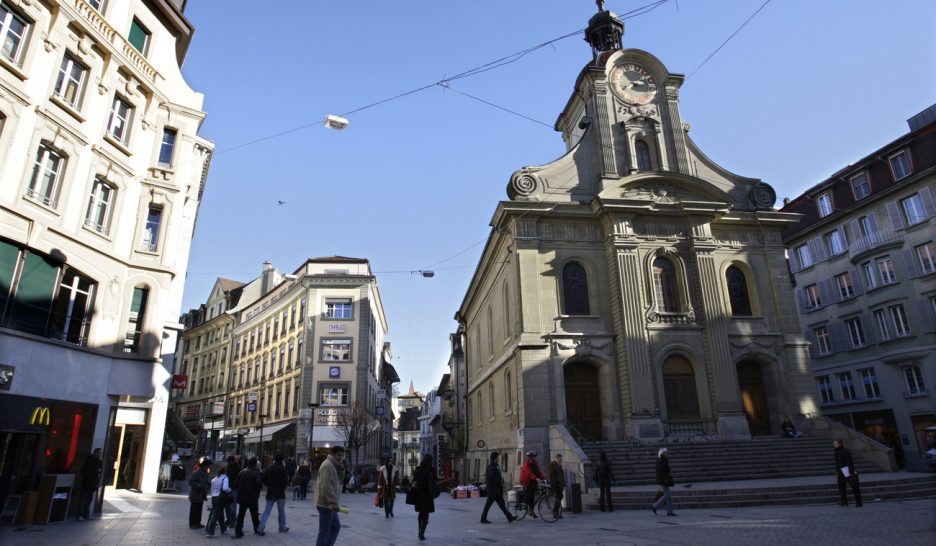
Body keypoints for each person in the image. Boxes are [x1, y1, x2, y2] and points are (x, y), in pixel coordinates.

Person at [316, 446, 346, 546]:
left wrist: (341, 469)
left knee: (335, 527)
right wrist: (333, 503)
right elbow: (325, 486)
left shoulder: (334, 465)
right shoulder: (327, 465)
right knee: (324, 531)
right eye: (338, 454)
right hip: (325, 504)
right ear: (332, 454)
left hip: (330, 504)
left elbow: (340, 481)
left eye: (342, 455)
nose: (340, 457)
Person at [480, 451, 515, 524]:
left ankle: (509, 517)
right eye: (497, 457)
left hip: (497, 490)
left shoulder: (496, 465)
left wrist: (501, 479)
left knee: (502, 505)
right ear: (495, 458)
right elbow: (491, 476)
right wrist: (499, 480)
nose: (498, 459)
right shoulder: (491, 467)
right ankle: (483, 518)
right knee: (488, 505)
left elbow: (497, 475)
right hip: (492, 490)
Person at [258, 452, 289, 533]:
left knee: (267, 510)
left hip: (271, 492)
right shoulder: (282, 469)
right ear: (282, 460)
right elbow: (286, 481)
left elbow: (263, 479)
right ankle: (282, 527)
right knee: (281, 511)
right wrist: (282, 487)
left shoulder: (270, 468)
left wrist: (269, 485)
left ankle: (260, 527)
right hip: (280, 493)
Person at [233, 457, 264, 538]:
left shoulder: (242, 472)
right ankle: (257, 529)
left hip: (242, 497)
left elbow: (236, 484)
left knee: (241, 515)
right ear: (255, 464)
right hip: (252, 497)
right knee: (254, 514)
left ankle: (238, 531)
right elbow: (259, 484)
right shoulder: (256, 473)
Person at [412, 454, 439, 541]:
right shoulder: (431, 470)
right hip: (428, 495)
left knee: (420, 514)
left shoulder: (418, 469)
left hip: (419, 495)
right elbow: (435, 479)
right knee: (426, 514)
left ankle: (419, 531)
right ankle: (422, 533)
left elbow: (414, 481)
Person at [834, 439, 862, 507]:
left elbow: (850, 462)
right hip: (841, 472)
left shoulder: (845, 451)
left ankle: (859, 502)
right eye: (834, 444)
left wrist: (851, 472)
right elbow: (837, 463)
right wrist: (837, 471)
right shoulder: (836, 452)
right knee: (841, 487)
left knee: (855, 487)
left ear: (840, 444)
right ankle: (844, 502)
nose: (834, 445)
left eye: (836, 444)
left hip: (847, 472)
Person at [77, 448, 103, 521]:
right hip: (87, 483)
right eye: (99, 452)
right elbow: (83, 471)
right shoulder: (89, 461)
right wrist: (88, 478)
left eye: (101, 453)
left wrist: (97, 482)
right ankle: (81, 515)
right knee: (84, 499)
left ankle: (86, 515)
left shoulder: (99, 462)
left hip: (93, 483)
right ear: (96, 453)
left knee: (89, 500)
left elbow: (99, 472)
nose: (100, 454)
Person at [205, 466, 231, 538]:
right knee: (216, 515)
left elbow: (211, 489)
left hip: (214, 498)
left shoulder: (214, 479)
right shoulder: (225, 478)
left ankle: (223, 528)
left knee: (220, 514)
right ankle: (210, 532)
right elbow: (225, 488)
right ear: (225, 472)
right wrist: (230, 490)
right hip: (220, 498)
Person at [519, 451, 546, 518]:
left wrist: (544, 478)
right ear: (529, 457)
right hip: (526, 481)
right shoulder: (526, 464)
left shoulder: (534, 463)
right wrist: (535, 478)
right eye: (533, 456)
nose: (534, 458)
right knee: (529, 494)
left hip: (533, 481)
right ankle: (524, 502)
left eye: (534, 456)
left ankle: (531, 511)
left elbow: (538, 472)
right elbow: (528, 472)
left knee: (532, 497)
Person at [650, 448, 676, 516]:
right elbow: (665, 470)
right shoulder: (661, 461)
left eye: (667, 453)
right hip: (663, 481)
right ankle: (654, 506)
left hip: (663, 480)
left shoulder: (662, 460)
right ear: (662, 454)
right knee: (668, 495)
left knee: (669, 496)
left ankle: (670, 512)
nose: (667, 454)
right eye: (665, 453)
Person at [188, 457, 212, 529]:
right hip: (196, 494)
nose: (208, 467)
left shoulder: (205, 473)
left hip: (201, 495)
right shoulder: (196, 472)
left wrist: (209, 484)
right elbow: (191, 481)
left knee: (199, 509)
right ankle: (192, 524)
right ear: (204, 466)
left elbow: (206, 481)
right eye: (208, 465)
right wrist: (200, 486)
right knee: (194, 509)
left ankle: (198, 523)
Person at [547, 453, 566, 519]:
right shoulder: (552, 465)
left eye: (561, 459)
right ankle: (555, 512)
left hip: (560, 485)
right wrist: (554, 484)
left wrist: (563, 483)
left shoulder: (559, 465)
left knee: (560, 497)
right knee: (558, 497)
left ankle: (556, 512)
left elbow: (561, 475)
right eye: (560, 459)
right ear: (556, 458)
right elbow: (551, 475)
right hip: (556, 485)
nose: (561, 460)